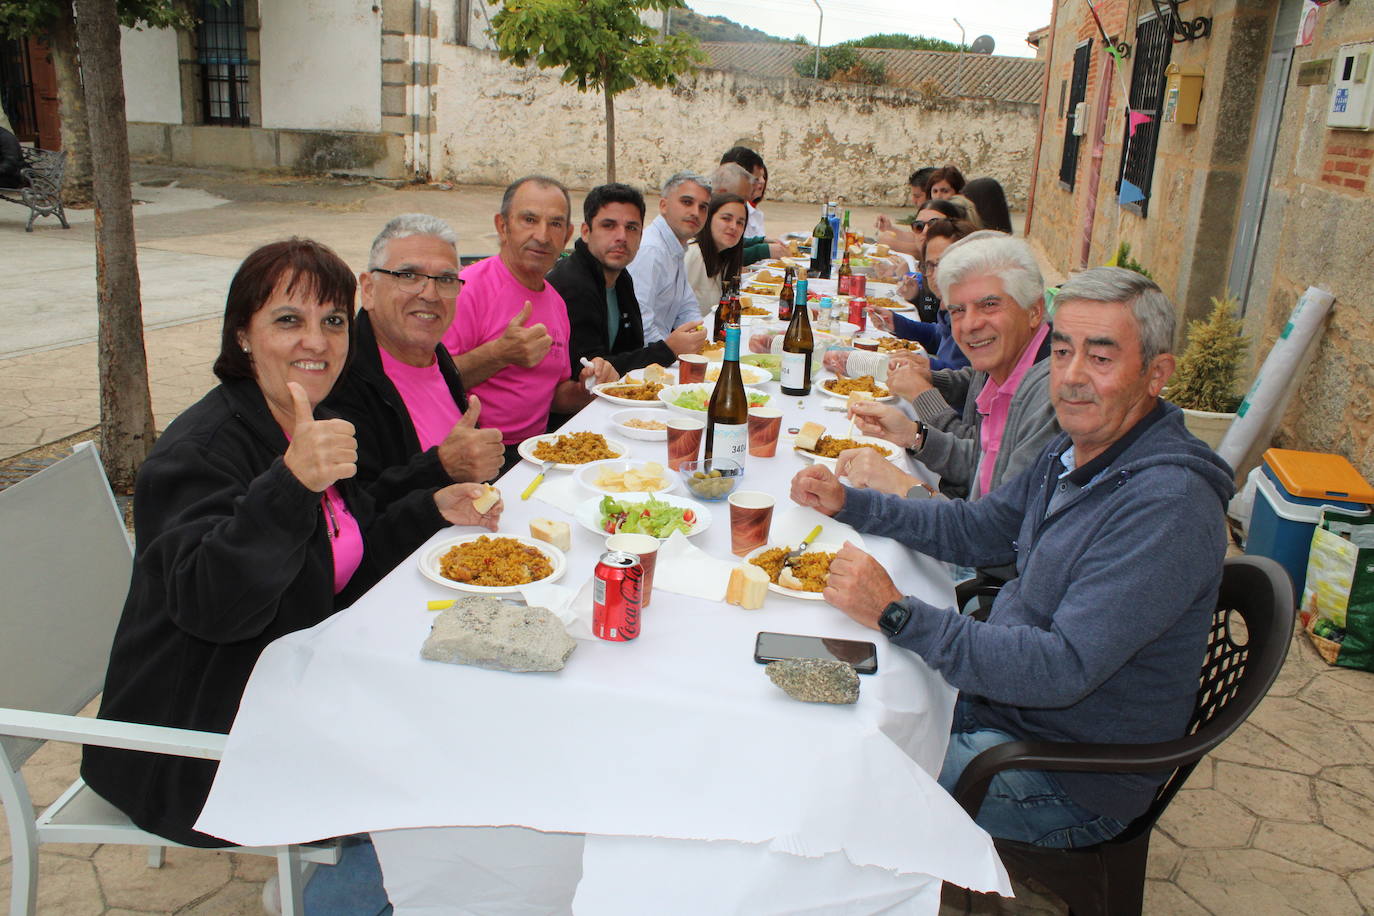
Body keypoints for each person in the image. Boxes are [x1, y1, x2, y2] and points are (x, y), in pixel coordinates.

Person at [791, 265, 1234, 847]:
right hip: (1006, 708)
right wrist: (853, 504)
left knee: (828, 781)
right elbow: (981, 530)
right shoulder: (1077, 448)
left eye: (1100, 358)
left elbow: (1060, 668)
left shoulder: (1167, 506)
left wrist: (897, 613)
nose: (1071, 378)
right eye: (1063, 351)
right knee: (811, 711)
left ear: (1156, 375)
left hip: (1064, 772)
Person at [82, 238, 502, 851]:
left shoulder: (305, 420)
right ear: (242, 336)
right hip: (201, 742)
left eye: (333, 321)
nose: (317, 341)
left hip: (290, 683)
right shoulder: (199, 452)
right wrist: (291, 483)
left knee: (475, 709)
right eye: (288, 320)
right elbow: (213, 608)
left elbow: (345, 549)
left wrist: (431, 506)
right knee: (438, 777)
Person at [844, 233, 1058, 504]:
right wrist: (915, 435)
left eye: (989, 305)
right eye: (957, 310)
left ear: (1034, 311)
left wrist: (905, 487)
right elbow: (983, 464)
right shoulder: (1001, 361)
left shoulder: (1051, 397)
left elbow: (992, 533)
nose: (970, 325)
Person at [326, 214, 505, 508]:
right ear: (368, 289)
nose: (430, 294)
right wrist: (441, 466)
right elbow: (355, 512)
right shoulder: (341, 377)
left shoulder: (436, 356)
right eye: (408, 276)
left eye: (445, 279)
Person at [443, 175, 616, 470]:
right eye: (529, 219)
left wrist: (589, 387)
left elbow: (553, 395)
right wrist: (499, 354)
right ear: (502, 226)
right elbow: (433, 382)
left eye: (555, 224)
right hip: (474, 457)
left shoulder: (556, 302)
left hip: (539, 451)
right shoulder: (466, 289)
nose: (543, 235)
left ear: (568, 235)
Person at [546, 183, 706, 425]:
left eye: (631, 228)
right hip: (568, 422)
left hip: (607, 410)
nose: (621, 236)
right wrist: (667, 350)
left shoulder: (621, 277)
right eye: (608, 225)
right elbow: (594, 373)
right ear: (586, 232)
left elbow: (627, 353)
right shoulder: (573, 284)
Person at [627, 170, 712, 344]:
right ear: (663, 205)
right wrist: (672, 354)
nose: (696, 212)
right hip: (645, 359)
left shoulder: (676, 246)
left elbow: (687, 308)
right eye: (687, 202)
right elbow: (641, 326)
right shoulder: (651, 250)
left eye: (703, 207)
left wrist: (701, 339)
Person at [684, 192, 748, 314]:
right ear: (708, 219)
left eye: (740, 222)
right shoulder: (693, 253)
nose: (734, 226)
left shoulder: (725, 258)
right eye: (726, 219)